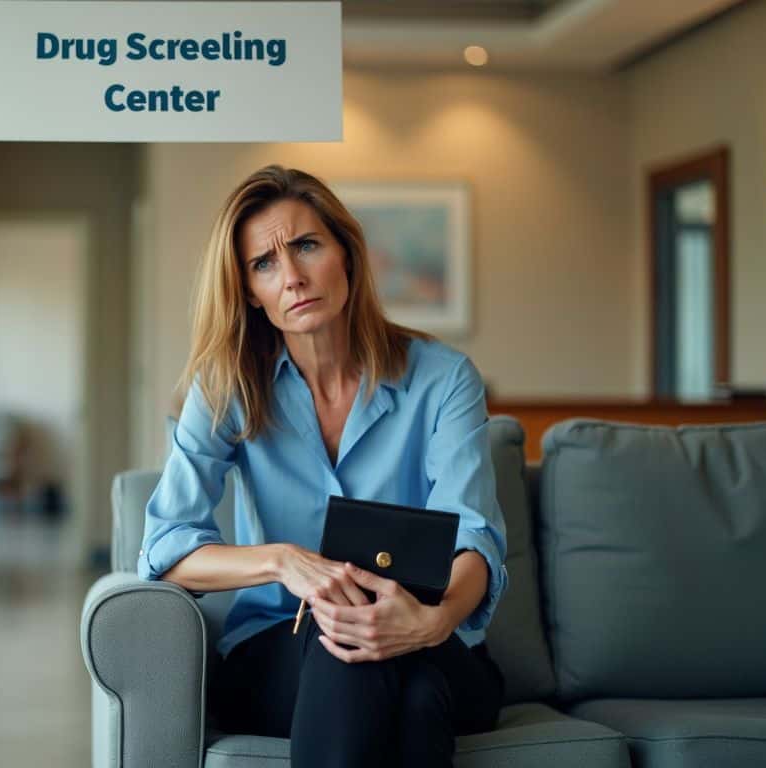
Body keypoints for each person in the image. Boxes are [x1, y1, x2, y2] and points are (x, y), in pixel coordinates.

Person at [138, 165, 508, 767]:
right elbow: (167, 545)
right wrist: (284, 562)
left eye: (307, 245)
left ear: (347, 254)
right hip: (278, 652)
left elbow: (475, 535)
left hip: (436, 643)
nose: (293, 278)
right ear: (248, 291)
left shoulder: (444, 380)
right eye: (264, 264)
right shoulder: (227, 388)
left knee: (399, 673)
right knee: (372, 663)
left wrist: (430, 622)